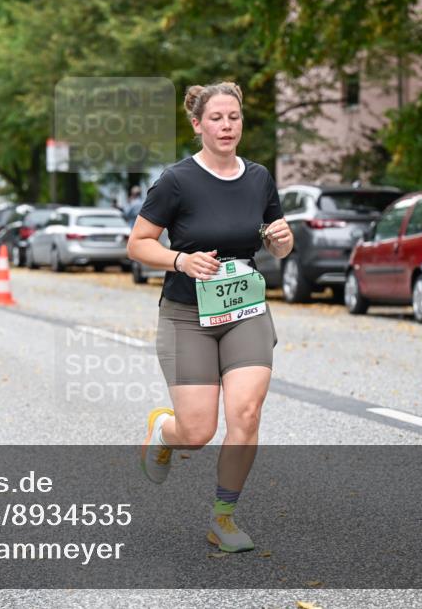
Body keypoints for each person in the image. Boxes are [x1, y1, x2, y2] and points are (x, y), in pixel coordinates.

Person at [127, 82, 293, 554]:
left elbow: (277, 242)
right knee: (198, 432)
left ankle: (224, 518)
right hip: (186, 315)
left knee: (246, 412)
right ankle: (164, 432)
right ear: (198, 124)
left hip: (245, 310)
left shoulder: (259, 177)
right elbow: (138, 243)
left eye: (234, 117)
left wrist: (282, 240)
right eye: (216, 118)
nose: (227, 126)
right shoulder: (177, 180)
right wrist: (182, 260)